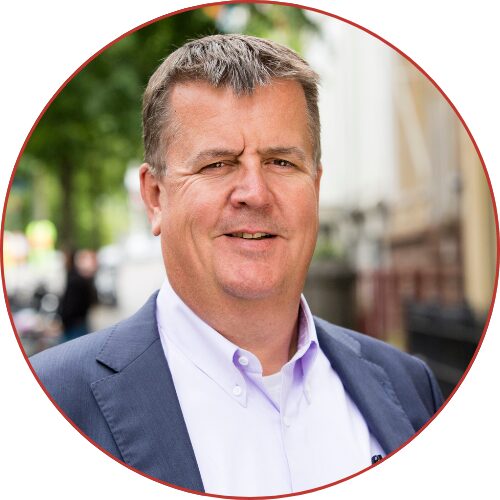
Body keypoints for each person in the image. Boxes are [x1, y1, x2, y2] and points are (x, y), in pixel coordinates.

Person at [30, 34, 443, 496]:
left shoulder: (410, 388)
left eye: (281, 162)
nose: (255, 193)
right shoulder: (50, 403)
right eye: (218, 164)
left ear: (316, 186)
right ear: (155, 197)